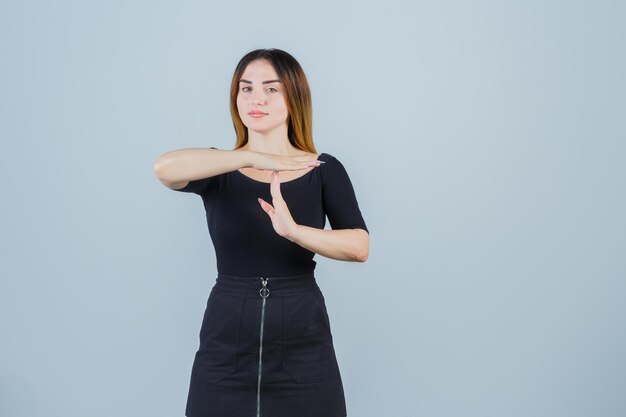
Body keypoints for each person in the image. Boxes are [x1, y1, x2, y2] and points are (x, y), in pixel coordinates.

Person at [153, 48, 369, 417]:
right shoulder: (218, 167)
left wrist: (295, 231)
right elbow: (165, 168)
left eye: (272, 89)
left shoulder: (322, 169)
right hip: (226, 342)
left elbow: (359, 245)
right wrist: (249, 156)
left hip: (303, 341)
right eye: (246, 88)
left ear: (294, 96)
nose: (256, 99)